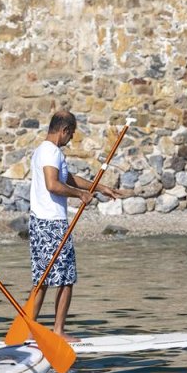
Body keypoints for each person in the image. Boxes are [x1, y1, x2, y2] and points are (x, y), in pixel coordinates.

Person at [29, 110, 122, 341]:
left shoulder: (43, 150)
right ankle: (58, 331)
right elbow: (53, 185)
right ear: (64, 131)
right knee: (66, 278)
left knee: (42, 279)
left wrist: (97, 188)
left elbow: (66, 178)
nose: (70, 140)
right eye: (70, 135)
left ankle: (29, 329)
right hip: (52, 224)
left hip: (40, 223)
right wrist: (80, 195)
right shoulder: (51, 152)